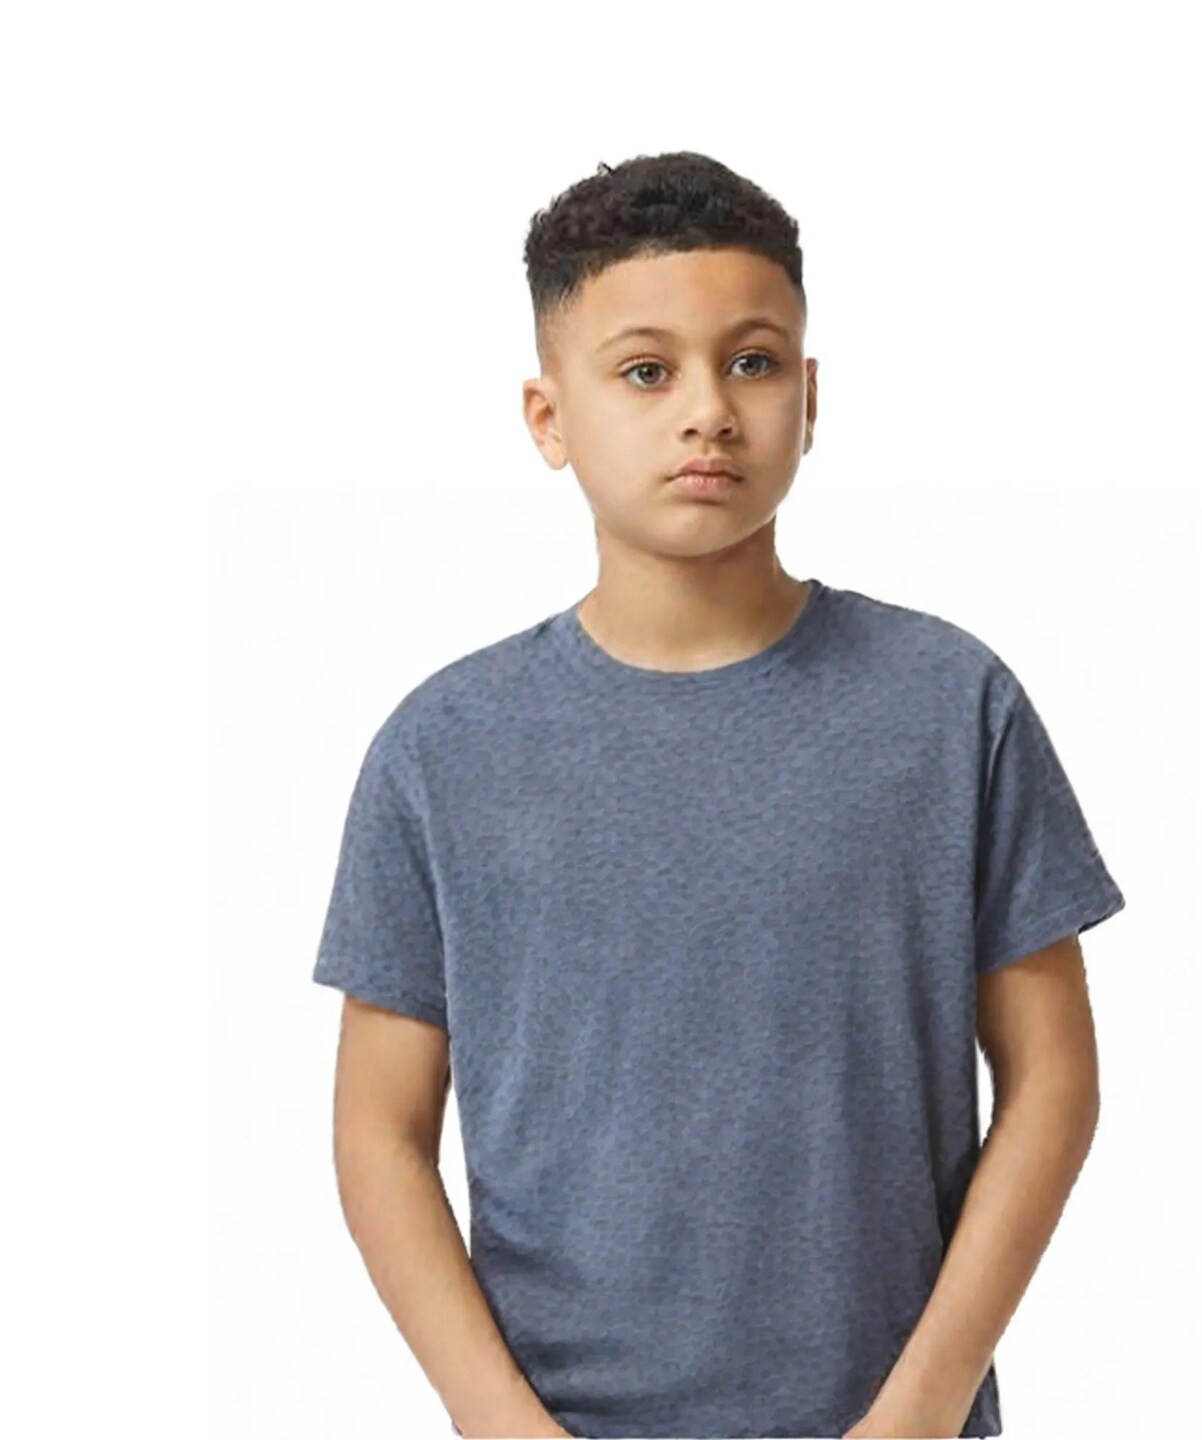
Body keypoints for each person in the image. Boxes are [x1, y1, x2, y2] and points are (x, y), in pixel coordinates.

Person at [312, 150, 1126, 1440]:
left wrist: (918, 1414)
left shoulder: (949, 706)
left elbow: (1054, 1079)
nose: (708, 411)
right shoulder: (442, 750)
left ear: (811, 397)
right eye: (647, 372)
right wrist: (501, 1424)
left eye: (752, 362)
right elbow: (379, 1130)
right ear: (548, 418)